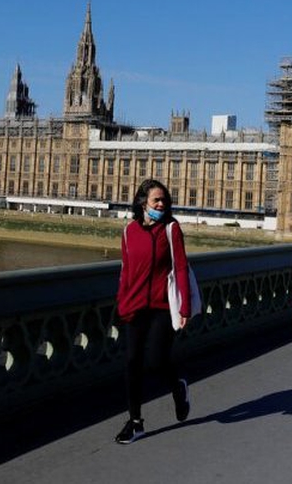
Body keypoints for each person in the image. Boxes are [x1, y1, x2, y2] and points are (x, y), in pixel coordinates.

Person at [114, 178, 191, 444]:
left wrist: (184, 306)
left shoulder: (171, 229)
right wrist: (121, 302)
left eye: (164, 200)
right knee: (132, 362)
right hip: (134, 305)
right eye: (156, 200)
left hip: (162, 305)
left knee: (157, 360)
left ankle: (177, 387)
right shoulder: (128, 231)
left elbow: (180, 267)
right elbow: (125, 272)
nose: (161, 204)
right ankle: (135, 422)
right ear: (142, 202)